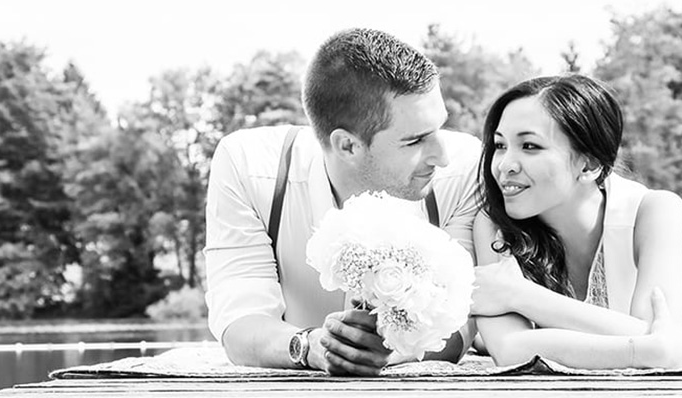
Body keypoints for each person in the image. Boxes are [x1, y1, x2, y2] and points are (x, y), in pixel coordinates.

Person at [204, 28, 480, 376]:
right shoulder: (248, 166)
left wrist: (393, 354)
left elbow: (464, 318)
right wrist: (310, 347)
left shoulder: (466, 166)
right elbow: (240, 321)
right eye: (415, 141)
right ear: (347, 146)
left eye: (440, 127)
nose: (441, 156)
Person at [471, 74, 682, 369]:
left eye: (529, 146)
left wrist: (518, 295)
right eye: (500, 145)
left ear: (589, 165)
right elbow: (509, 348)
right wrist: (639, 351)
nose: (504, 165)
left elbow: (665, 331)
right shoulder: (493, 225)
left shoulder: (656, 212)